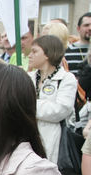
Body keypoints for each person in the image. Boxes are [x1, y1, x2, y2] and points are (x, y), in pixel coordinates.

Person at [28, 35, 77, 165]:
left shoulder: (66, 78)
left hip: (54, 141)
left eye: (34, 51)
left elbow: (60, 110)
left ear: (48, 54)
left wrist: (28, 106)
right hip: (29, 139)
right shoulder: (28, 78)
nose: (29, 55)